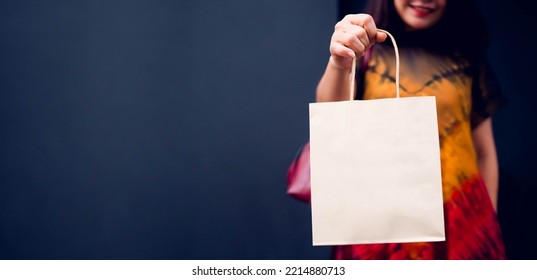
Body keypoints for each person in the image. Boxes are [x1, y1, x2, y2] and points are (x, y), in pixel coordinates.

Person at [316, 0, 506, 259]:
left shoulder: (467, 56)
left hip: (461, 221)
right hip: (384, 219)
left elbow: (483, 151)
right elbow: (331, 115)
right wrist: (340, 61)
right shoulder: (365, 51)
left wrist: (487, 225)